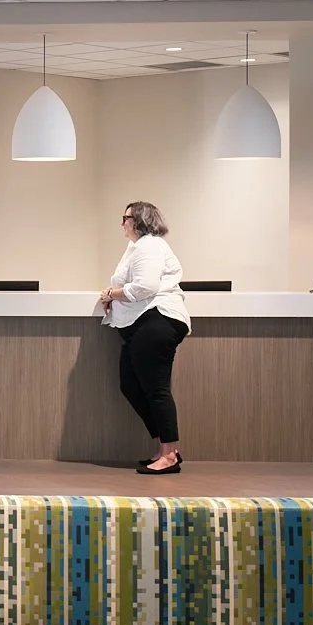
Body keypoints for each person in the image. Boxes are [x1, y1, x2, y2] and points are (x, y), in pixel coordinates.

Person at [97, 201, 191, 475]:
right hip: (144, 324)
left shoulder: (149, 246)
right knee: (130, 384)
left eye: (125, 217)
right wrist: (115, 295)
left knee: (156, 389)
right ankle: (165, 448)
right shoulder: (137, 247)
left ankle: (169, 454)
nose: (122, 223)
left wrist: (111, 294)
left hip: (158, 319)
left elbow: (144, 287)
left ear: (138, 220)